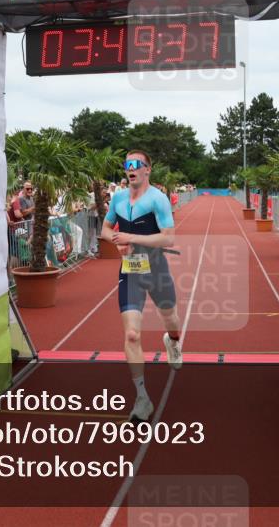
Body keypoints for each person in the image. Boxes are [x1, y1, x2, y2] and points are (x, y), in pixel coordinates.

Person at [101, 150, 181, 423]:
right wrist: (117, 240)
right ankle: (142, 398)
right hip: (131, 270)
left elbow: (169, 239)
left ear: (148, 169)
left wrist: (131, 236)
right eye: (127, 164)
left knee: (171, 319)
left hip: (156, 269)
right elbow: (104, 229)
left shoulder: (158, 199)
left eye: (136, 164)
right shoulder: (119, 198)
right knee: (132, 335)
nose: (130, 169)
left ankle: (173, 343)